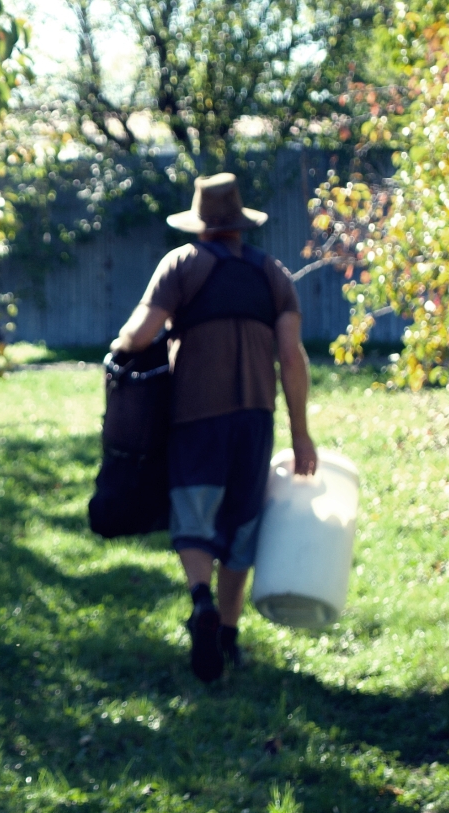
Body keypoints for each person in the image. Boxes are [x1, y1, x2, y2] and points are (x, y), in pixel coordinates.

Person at [109, 173, 317, 683]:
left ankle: (200, 599)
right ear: (241, 224)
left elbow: (141, 333)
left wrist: (121, 347)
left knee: (195, 514)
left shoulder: (181, 264)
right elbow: (291, 356)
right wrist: (301, 433)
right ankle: (227, 633)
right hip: (254, 418)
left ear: (200, 224)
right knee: (241, 524)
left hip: (194, 416)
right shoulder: (272, 274)